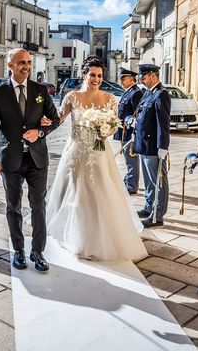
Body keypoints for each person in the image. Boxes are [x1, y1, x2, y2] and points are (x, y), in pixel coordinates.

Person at [45, 57, 148, 261]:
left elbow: (113, 125)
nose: (96, 79)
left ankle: (100, 238)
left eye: (100, 75)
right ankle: (78, 240)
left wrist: (106, 132)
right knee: (77, 195)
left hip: (100, 152)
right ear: (84, 75)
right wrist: (44, 123)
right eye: (92, 75)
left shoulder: (110, 98)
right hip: (76, 152)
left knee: (100, 192)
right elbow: (59, 118)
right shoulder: (72, 97)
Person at [0, 48, 60, 272]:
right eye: (21, 63)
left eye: (28, 62)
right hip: (11, 159)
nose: (26, 66)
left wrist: (40, 132)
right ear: (10, 65)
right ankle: (18, 251)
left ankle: (38, 251)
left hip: (37, 158)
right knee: (13, 206)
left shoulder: (40, 90)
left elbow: (55, 119)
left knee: (39, 206)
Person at [133, 63, 171, 228]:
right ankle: (149, 207)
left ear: (153, 76)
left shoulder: (161, 95)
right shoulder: (148, 93)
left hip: (154, 147)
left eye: (144, 76)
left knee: (158, 182)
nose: (141, 79)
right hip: (144, 144)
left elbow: (163, 123)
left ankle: (157, 214)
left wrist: (163, 146)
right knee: (149, 181)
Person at [113, 67, 144, 195]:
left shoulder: (136, 93)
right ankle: (129, 180)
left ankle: (132, 185)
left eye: (123, 78)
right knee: (128, 159)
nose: (121, 81)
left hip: (131, 132)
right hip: (124, 131)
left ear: (132, 79)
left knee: (131, 159)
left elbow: (138, 113)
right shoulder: (127, 91)